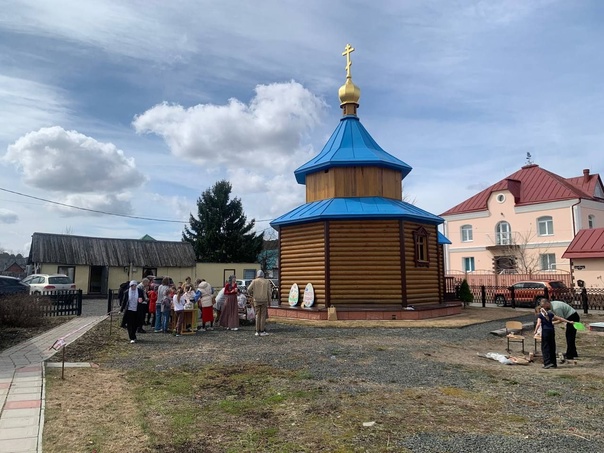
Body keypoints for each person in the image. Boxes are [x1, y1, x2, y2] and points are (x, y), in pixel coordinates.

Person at [534, 303, 574, 369]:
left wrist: (535, 331)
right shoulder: (550, 314)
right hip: (551, 331)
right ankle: (553, 363)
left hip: (545, 332)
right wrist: (569, 322)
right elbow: (560, 318)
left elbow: (538, 324)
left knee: (545, 347)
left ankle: (547, 363)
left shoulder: (540, 315)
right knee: (552, 346)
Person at [247, 270, 272, 337]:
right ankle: (262, 330)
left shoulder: (254, 281)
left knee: (257, 315)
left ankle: (257, 331)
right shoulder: (267, 281)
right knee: (263, 315)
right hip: (264, 300)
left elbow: (248, 289)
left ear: (257, 275)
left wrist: (251, 295)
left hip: (256, 300)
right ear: (263, 275)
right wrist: (270, 301)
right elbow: (269, 292)